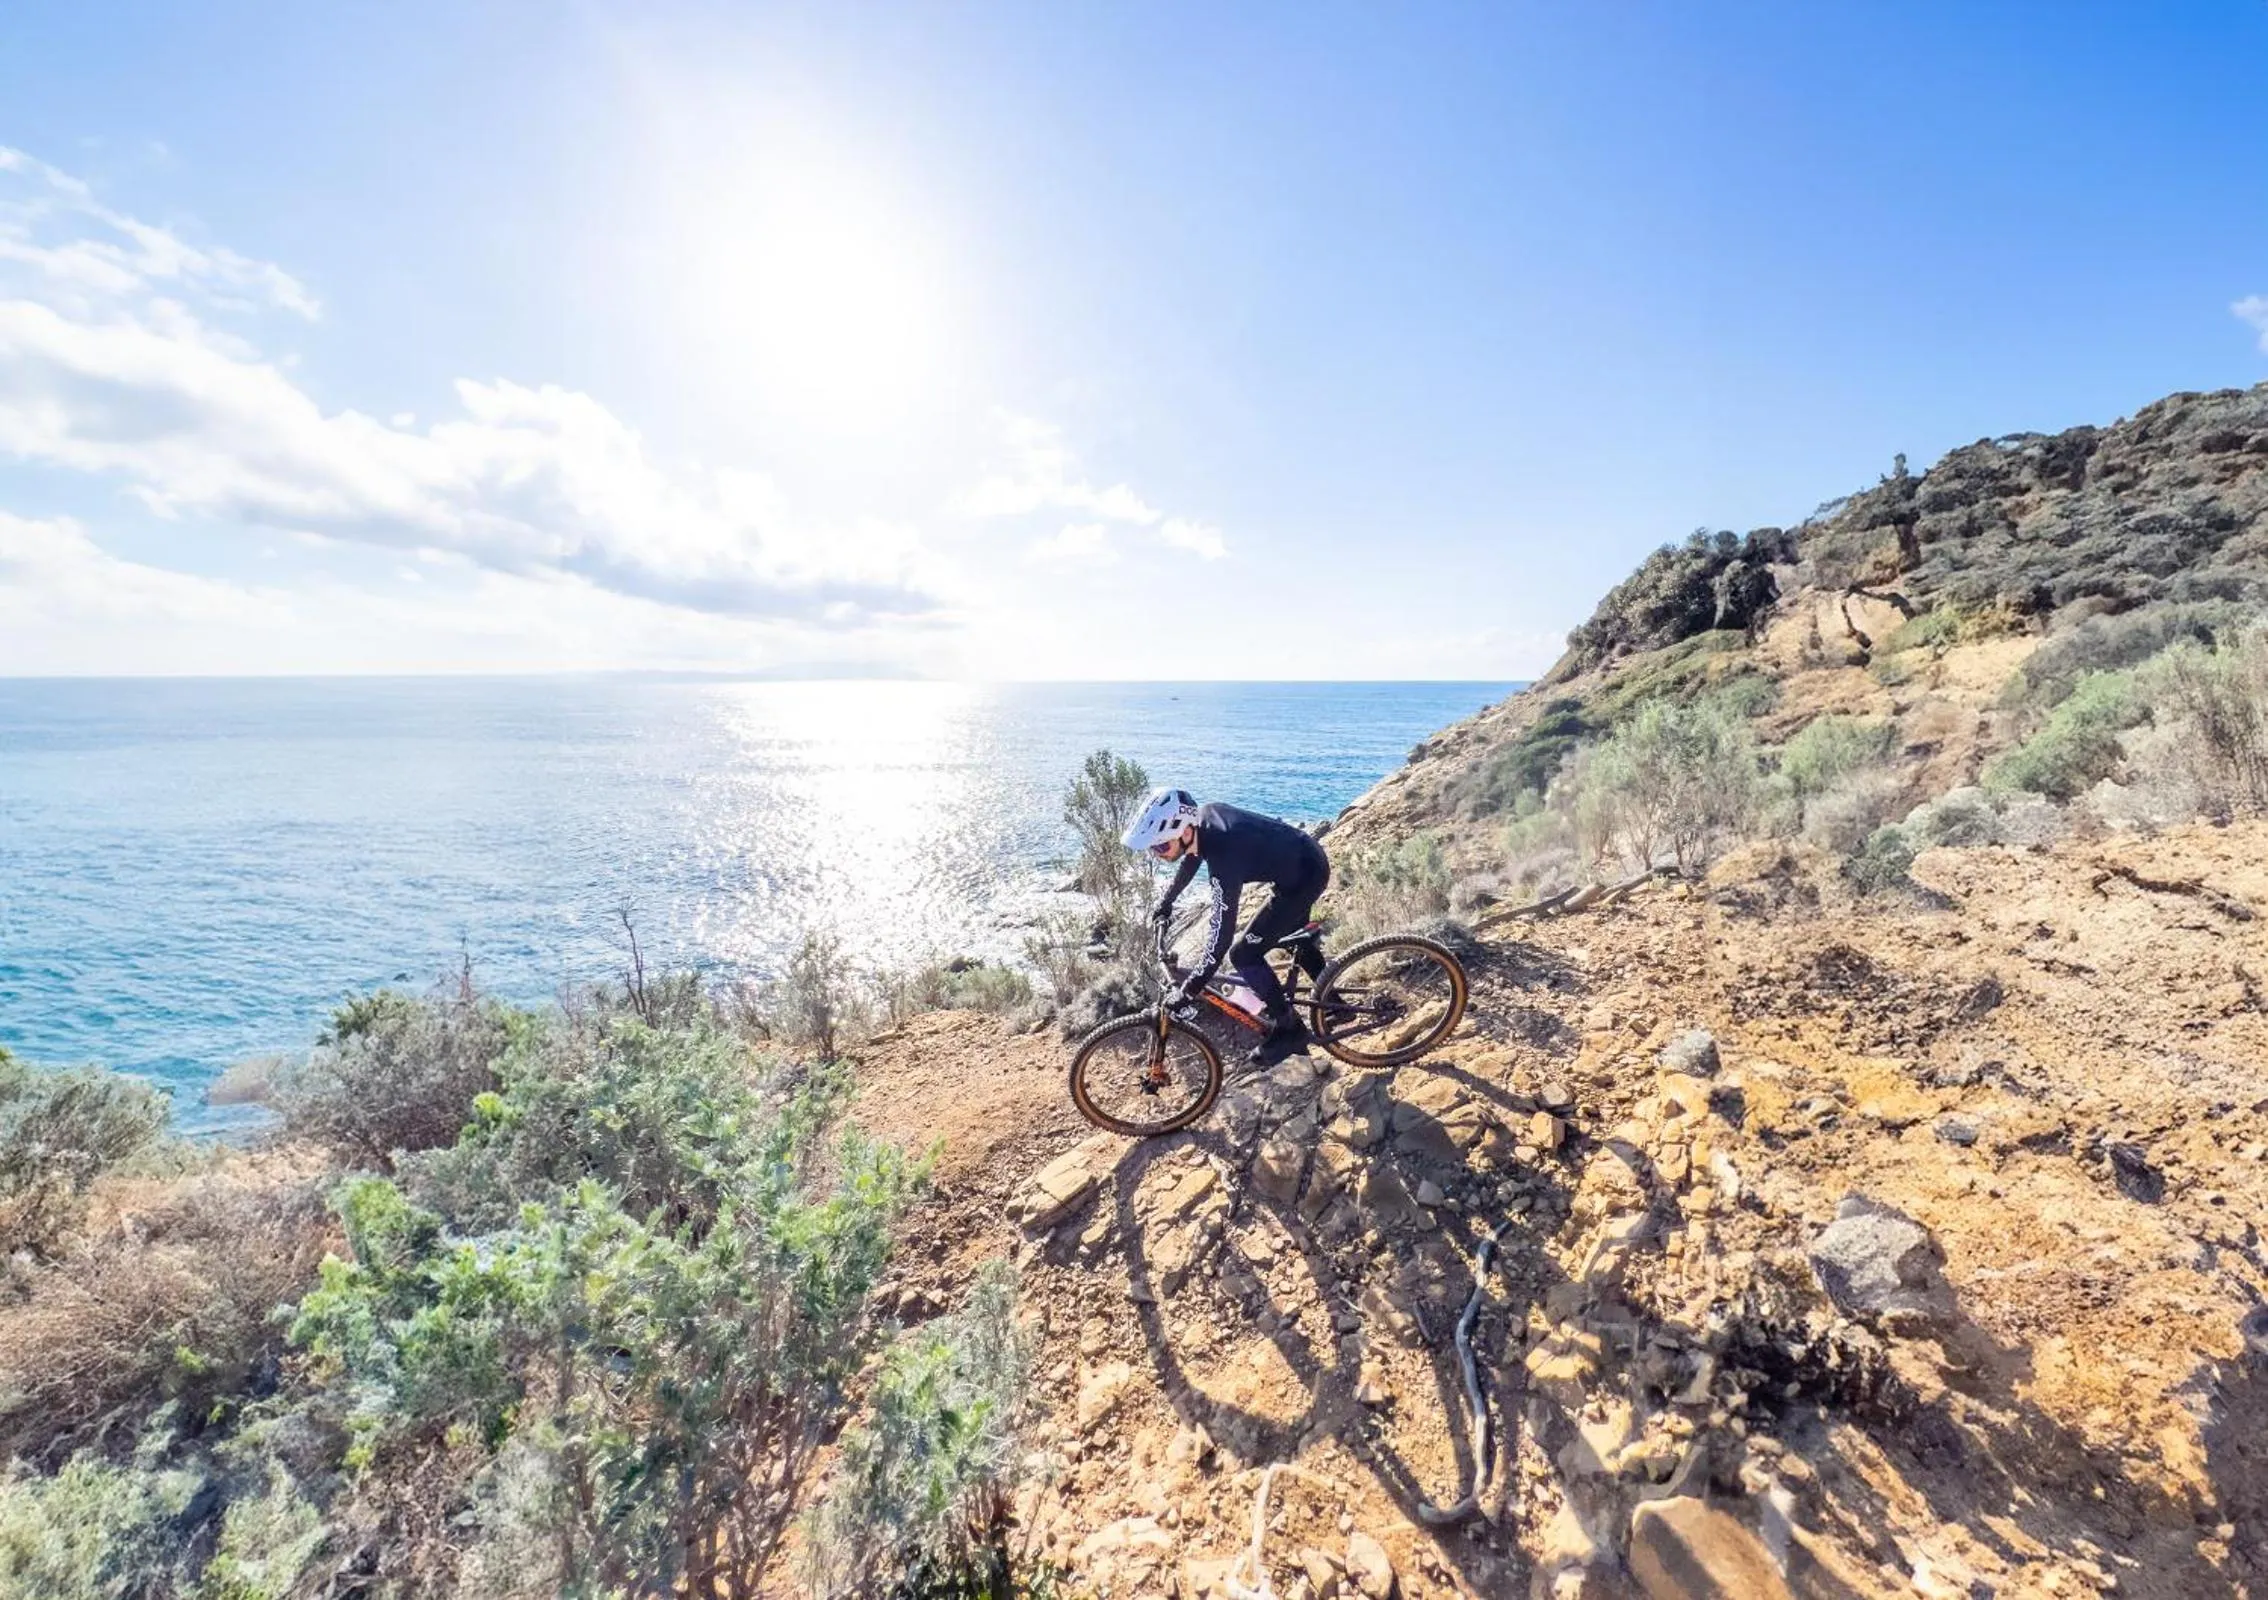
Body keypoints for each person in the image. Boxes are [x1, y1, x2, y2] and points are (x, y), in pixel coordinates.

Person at [1120, 786, 1332, 1063]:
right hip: (1303, 861)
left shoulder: (1224, 858)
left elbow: (1221, 938)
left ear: (1185, 831)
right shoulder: (1203, 822)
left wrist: (1190, 989)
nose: (1158, 854)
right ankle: (1334, 1003)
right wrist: (1166, 902)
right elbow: (1192, 857)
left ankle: (1290, 1030)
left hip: (1304, 877)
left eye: (1161, 846)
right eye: (1153, 848)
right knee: (1293, 938)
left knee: (1243, 954)